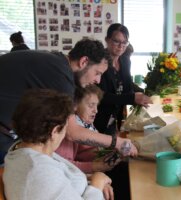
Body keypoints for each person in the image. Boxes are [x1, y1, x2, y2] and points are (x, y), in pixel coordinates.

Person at [0, 38, 138, 165]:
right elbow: (72, 132)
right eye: (97, 73)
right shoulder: (61, 76)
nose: (98, 81)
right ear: (83, 61)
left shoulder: (56, 62)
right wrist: (116, 142)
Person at [3, 89, 114, 200]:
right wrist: (97, 184)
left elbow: (64, 177)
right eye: (65, 128)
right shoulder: (39, 171)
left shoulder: (27, 150)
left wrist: (94, 180)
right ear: (55, 131)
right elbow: (51, 180)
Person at [94, 23, 151, 135]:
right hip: (99, 115)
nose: (121, 46)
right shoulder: (99, 61)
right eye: (116, 41)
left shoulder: (125, 60)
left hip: (116, 116)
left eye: (124, 42)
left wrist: (147, 92)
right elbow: (101, 96)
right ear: (107, 40)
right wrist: (132, 98)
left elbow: (128, 85)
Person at [56, 85, 120, 174]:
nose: (96, 111)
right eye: (91, 105)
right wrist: (96, 166)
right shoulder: (68, 131)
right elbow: (64, 166)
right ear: (75, 105)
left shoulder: (86, 122)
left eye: (96, 106)